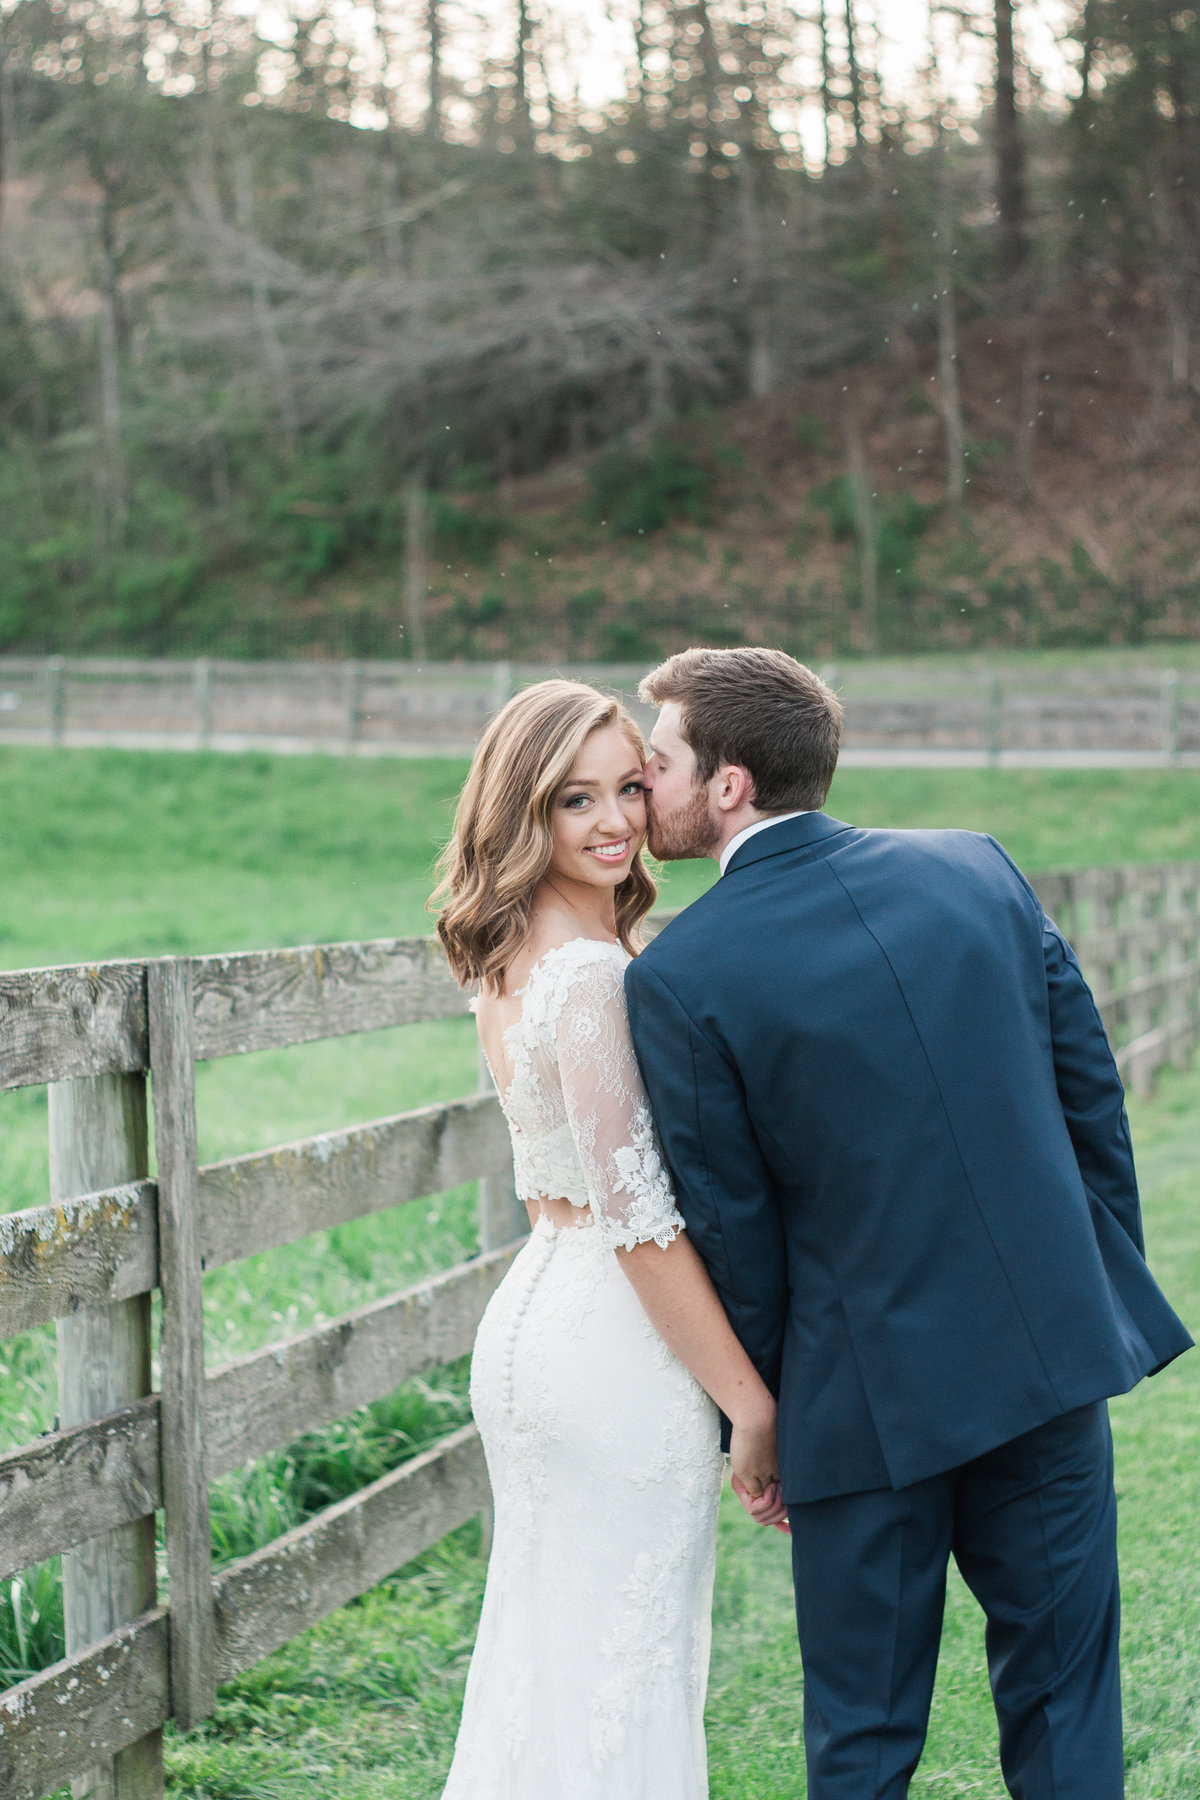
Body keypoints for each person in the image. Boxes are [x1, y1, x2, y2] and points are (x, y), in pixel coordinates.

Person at [624, 645, 1193, 1800]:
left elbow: (733, 1226)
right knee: (1068, 1694)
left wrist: (773, 1413)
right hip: (1045, 1358)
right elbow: (1090, 1092)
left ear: (730, 784)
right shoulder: (976, 869)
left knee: (865, 1735)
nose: (643, 787)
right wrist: (1080, 1283)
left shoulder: (683, 976)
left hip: (864, 1406)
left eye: (660, 761)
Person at [431, 678, 785, 1800]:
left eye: (629, 789)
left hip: (534, 1320)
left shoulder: (515, 963)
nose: (616, 823)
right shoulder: (589, 978)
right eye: (573, 800)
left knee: (550, 1657)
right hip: (614, 1350)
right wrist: (752, 1404)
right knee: (624, 1669)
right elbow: (638, 1222)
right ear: (521, 814)